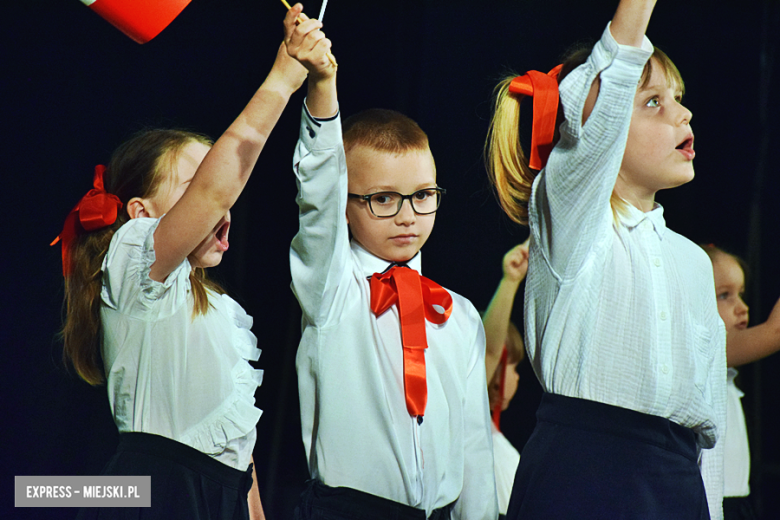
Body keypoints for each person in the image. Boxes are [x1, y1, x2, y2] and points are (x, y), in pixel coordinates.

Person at [54, 11, 307, 519]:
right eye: (192, 186)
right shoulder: (131, 260)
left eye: (210, 186)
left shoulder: (221, 309)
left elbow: (236, 446)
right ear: (140, 214)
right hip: (154, 491)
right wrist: (283, 76)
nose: (219, 203)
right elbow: (220, 185)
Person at [485, 0, 726, 518]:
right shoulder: (572, 220)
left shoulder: (693, 263)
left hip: (677, 485)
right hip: (582, 475)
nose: (684, 113)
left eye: (678, 99)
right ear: (604, 120)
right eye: (653, 102)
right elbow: (602, 98)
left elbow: (710, 422)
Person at [284, 4, 497, 519]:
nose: (407, 216)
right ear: (347, 205)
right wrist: (322, 83)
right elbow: (318, 188)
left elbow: (473, 444)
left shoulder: (460, 314)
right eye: (383, 199)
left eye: (423, 195)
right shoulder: (332, 288)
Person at [702, 244, 780, 520]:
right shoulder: (706, 354)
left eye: (741, 295)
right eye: (724, 295)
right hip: (715, 503)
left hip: (737, 499)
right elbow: (776, 330)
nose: (742, 308)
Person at [482, 240, 529, 517]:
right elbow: (488, 349)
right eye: (513, 366)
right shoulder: (468, 423)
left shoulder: (494, 437)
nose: (517, 378)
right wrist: (510, 281)